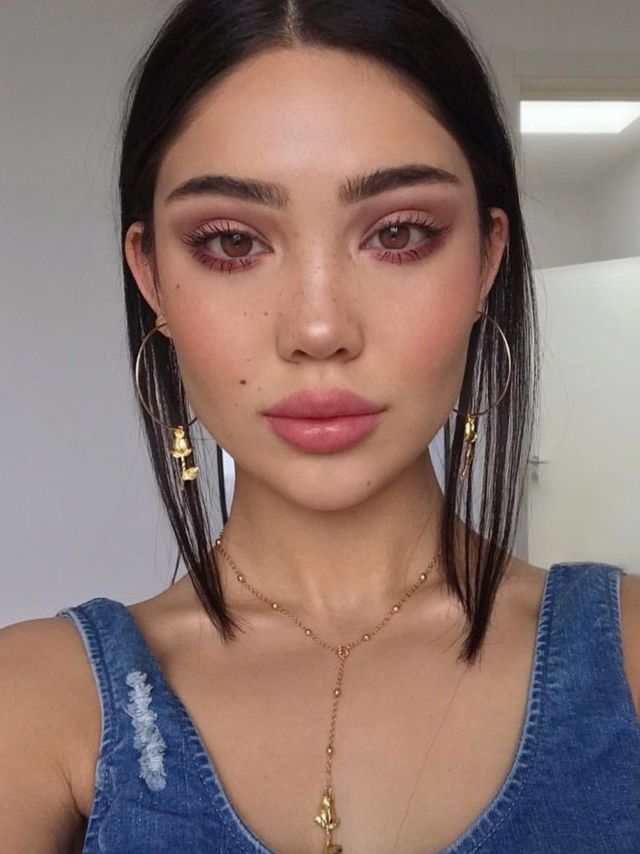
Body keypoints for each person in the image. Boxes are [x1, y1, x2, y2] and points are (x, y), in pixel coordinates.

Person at [2, 1, 639, 852]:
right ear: (149, 274)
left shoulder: (628, 655)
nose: (318, 327)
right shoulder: (37, 700)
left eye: (399, 232)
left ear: (488, 258)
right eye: (232, 242)